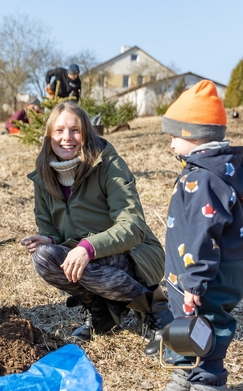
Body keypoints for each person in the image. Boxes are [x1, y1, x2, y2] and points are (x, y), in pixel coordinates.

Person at [144, 80, 243, 391]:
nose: (171, 143)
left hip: (207, 275)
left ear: (194, 135)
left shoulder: (204, 179)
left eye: (174, 135)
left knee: (205, 331)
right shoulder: (203, 172)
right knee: (185, 325)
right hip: (192, 273)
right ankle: (183, 380)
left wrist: (193, 285)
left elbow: (202, 237)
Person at [21, 101, 170, 353]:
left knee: (87, 262)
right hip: (89, 256)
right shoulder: (43, 175)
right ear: (49, 136)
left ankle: (154, 306)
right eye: (59, 131)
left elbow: (133, 226)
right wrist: (49, 240)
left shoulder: (107, 165)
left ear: (86, 133)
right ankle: (101, 312)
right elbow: (54, 231)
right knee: (44, 258)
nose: (66, 138)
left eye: (75, 130)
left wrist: (89, 247)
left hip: (135, 253)